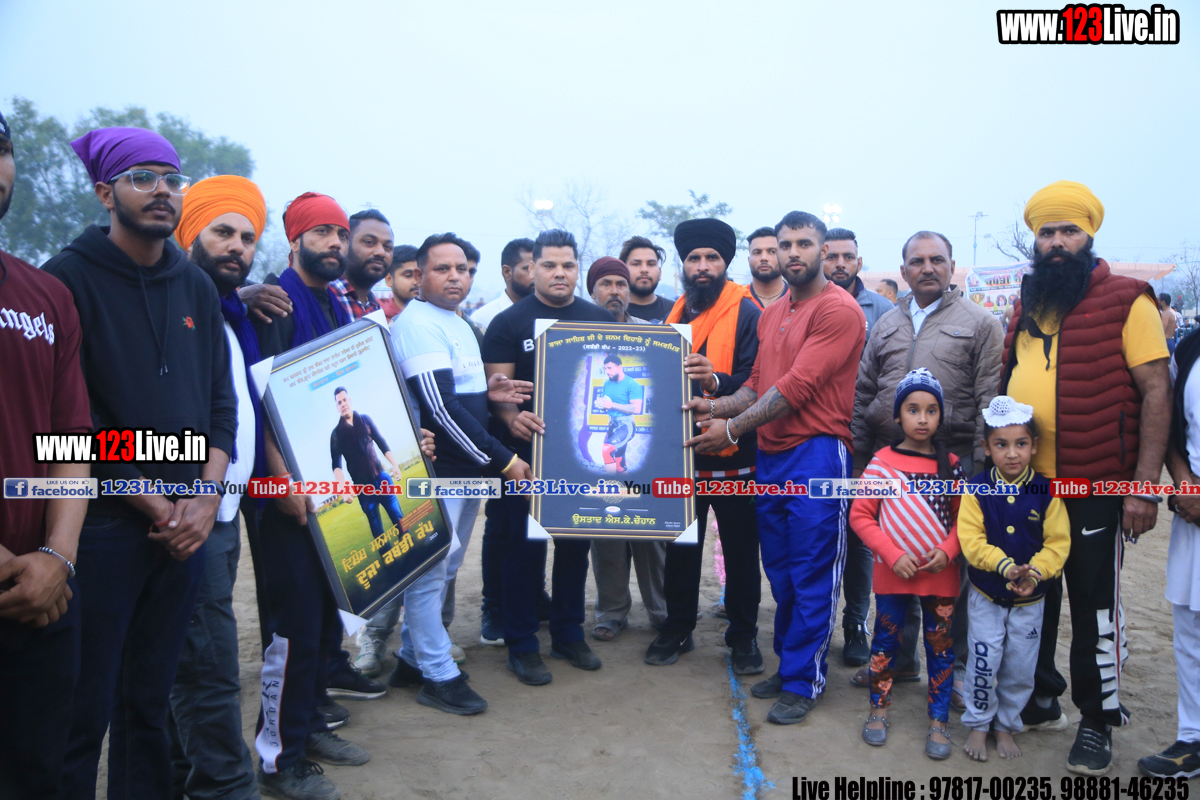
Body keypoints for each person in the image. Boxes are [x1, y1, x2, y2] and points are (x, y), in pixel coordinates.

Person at [42, 126, 237, 800]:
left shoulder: (196, 285)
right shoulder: (64, 280)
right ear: (106, 193)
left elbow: (220, 404)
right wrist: (155, 502)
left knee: (149, 706)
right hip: (99, 528)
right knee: (82, 708)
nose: (162, 191)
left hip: (185, 528)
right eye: (142, 177)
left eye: (172, 179)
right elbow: (68, 424)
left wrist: (206, 499)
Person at [1001, 180, 1170, 775]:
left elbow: (1156, 393)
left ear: (1089, 235)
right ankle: (1041, 699)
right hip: (1030, 488)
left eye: (1068, 231)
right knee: (1031, 597)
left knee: (1094, 605)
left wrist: (1144, 487)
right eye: (1046, 232)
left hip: (1096, 488)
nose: (1056, 242)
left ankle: (1097, 721)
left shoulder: (1128, 300)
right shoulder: (1026, 304)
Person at [685, 211, 865, 724]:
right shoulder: (772, 312)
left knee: (812, 569)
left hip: (819, 452)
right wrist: (712, 406)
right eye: (785, 244)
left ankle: (805, 681)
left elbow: (795, 389)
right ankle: (790, 667)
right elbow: (756, 386)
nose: (792, 253)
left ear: (822, 251)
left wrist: (731, 430)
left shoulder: (839, 310)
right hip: (772, 453)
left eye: (803, 244)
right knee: (781, 571)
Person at [249, 192, 374, 800]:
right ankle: (278, 761)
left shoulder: (336, 303)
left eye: (340, 233)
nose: (334, 243)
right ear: (294, 239)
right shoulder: (275, 301)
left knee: (325, 619)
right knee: (292, 628)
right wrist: (281, 480)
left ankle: (311, 724)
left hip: (327, 490)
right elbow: (260, 401)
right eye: (321, 232)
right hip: (287, 493)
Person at [850, 230, 1003, 700]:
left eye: (937, 259)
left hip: (951, 464)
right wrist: (859, 459)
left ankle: (953, 671)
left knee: (951, 568)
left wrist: (981, 469)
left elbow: (989, 399)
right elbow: (864, 392)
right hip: (891, 461)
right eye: (917, 261)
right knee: (899, 557)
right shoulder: (886, 324)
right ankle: (898, 661)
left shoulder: (980, 322)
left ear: (952, 266)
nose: (927, 268)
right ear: (903, 271)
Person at [385, 233, 533, 714]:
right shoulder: (417, 325)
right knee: (429, 574)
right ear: (418, 275)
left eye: (463, 269)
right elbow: (442, 410)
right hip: (439, 470)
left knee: (445, 567)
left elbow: (462, 393)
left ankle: (412, 659)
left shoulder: (458, 322)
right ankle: (437, 674)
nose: (455, 277)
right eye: (443, 269)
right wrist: (503, 459)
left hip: (467, 469)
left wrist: (492, 392)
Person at [0, 109, 92, 800]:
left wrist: (58, 558)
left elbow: (68, 439)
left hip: (42, 598)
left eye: (1, 149)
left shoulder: (45, 295)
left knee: (37, 771)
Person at [170, 174, 270, 800]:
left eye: (247, 237)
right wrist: (184, 495)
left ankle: (181, 775)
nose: (236, 246)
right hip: (186, 511)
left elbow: (228, 410)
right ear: (190, 233)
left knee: (192, 661)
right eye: (222, 232)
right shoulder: (173, 306)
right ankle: (225, 787)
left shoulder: (229, 313)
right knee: (209, 668)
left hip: (224, 513)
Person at [481, 228, 615, 685]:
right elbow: (498, 394)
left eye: (568, 265)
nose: (560, 273)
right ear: (532, 268)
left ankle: (568, 633)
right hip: (525, 459)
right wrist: (510, 417)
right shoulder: (508, 323)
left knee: (576, 546)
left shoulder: (600, 318)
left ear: (578, 270)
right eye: (549, 265)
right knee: (524, 551)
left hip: (583, 456)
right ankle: (521, 644)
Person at [647, 218, 764, 674]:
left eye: (712, 258)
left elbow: (758, 381)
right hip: (682, 457)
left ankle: (743, 636)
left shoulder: (749, 310)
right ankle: (678, 627)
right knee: (681, 548)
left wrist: (715, 380)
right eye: (694, 258)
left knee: (740, 552)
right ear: (684, 264)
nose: (702, 266)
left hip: (736, 454)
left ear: (725, 263)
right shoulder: (674, 315)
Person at [850, 369, 964, 760]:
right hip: (892, 576)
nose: (922, 418)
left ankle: (938, 720)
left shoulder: (951, 465)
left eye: (931, 410)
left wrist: (947, 551)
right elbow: (861, 514)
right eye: (913, 409)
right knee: (885, 644)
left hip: (940, 578)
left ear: (940, 416)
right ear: (898, 415)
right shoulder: (882, 463)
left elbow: (965, 520)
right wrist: (892, 554)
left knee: (941, 649)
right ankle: (878, 710)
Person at [957, 396, 1070, 763]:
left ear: (1034, 446)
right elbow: (971, 541)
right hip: (987, 594)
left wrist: (1034, 573)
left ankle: (1006, 724)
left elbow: (1057, 543)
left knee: (1020, 666)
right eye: (1001, 444)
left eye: (1020, 444)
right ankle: (978, 723)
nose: (1011, 454)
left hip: (1030, 599)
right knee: (983, 659)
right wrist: (1005, 566)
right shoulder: (976, 488)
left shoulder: (1046, 490)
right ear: (986, 447)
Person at [584, 257, 667, 640]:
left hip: (641, 445)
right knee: (606, 533)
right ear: (592, 292)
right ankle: (611, 612)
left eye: (621, 284)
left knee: (650, 534)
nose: (615, 291)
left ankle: (662, 611)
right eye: (606, 284)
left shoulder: (654, 336)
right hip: (601, 442)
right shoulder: (577, 335)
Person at [1138, 329, 1200, 777]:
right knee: (1191, 631)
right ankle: (1192, 738)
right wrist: (1184, 484)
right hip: (1194, 513)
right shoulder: (1190, 347)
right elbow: (1173, 426)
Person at [330, 387, 405, 536]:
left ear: (350, 401)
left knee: (400, 520)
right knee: (378, 532)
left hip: (382, 478)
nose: (343, 404)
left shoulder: (365, 420)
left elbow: (381, 442)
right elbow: (336, 465)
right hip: (363, 489)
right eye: (339, 402)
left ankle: (409, 543)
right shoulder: (336, 434)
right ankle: (386, 551)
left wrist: (395, 465)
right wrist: (343, 489)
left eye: (345, 400)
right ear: (337, 407)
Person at [822, 228, 892, 341]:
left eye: (848, 257)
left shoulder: (883, 309)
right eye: (831, 257)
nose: (840, 264)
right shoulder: (805, 304)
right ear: (819, 262)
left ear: (859, 264)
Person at [330, 209, 392, 320]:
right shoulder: (325, 296)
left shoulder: (376, 308)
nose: (381, 252)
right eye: (369, 242)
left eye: (387, 247)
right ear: (345, 244)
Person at [471, 237, 534, 332]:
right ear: (507, 272)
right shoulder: (482, 320)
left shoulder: (550, 316)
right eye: (528, 269)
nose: (536, 275)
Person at [621, 235, 674, 322]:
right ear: (623, 270)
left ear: (660, 272)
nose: (644, 270)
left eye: (651, 264)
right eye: (636, 264)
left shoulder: (675, 311)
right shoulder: (613, 313)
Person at [588, 256, 647, 323]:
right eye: (606, 284)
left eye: (620, 285)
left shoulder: (646, 327)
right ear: (593, 292)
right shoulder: (580, 327)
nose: (614, 292)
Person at [746, 226, 786, 309]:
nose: (764, 258)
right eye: (757, 252)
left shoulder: (799, 297)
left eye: (772, 252)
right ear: (749, 260)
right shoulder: (738, 297)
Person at [380, 243, 419, 324]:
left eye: (420, 276)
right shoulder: (379, 320)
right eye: (408, 275)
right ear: (389, 279)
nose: (416, 282)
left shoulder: (436, 315)